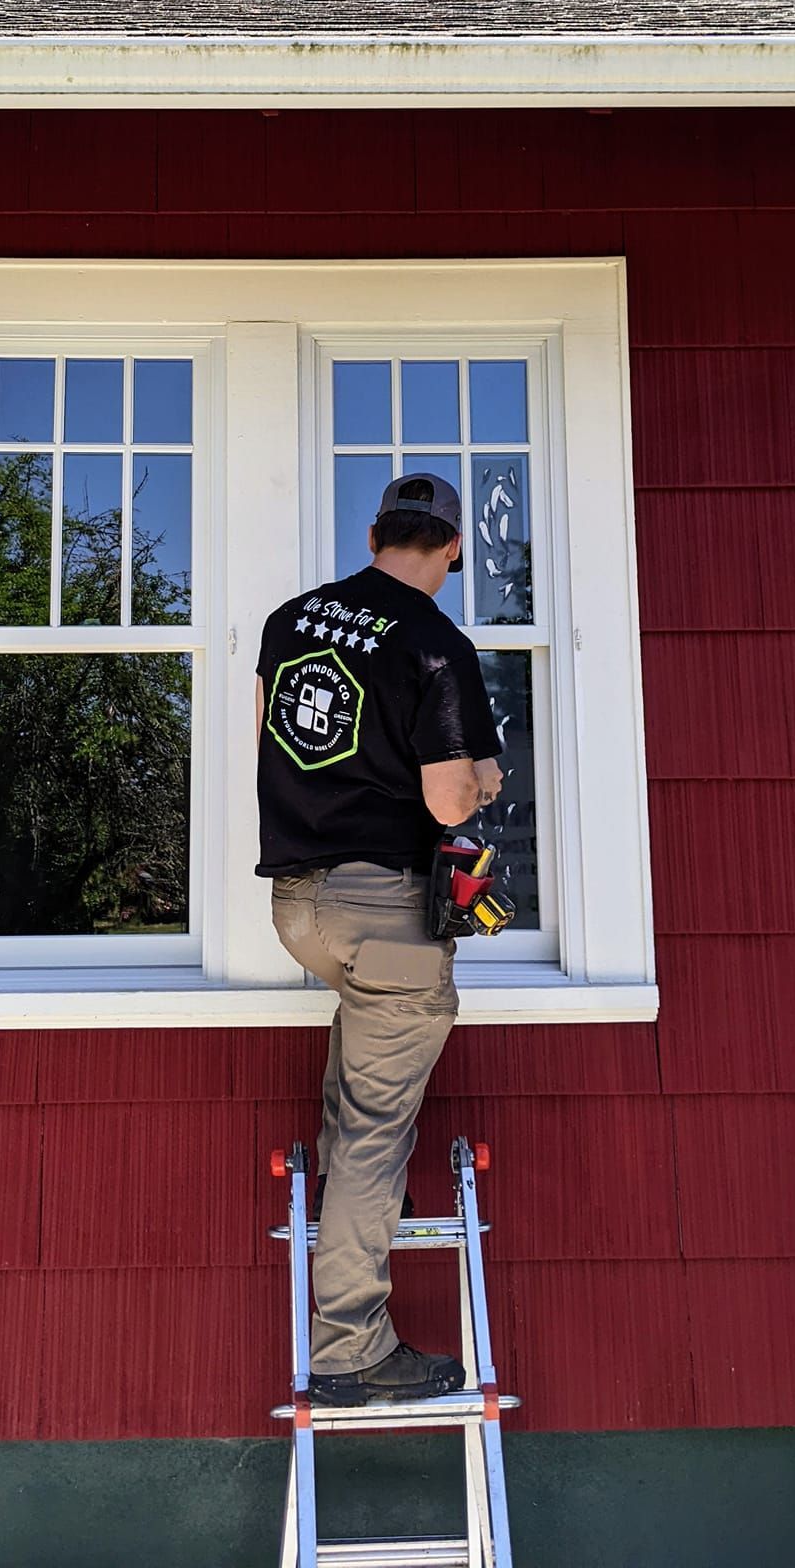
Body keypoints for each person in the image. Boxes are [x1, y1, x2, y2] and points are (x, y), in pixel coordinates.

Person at [254, 472, 503, 1405]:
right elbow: (447, 800)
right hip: (383, 905)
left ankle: (364, 1208)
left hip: (300, 901)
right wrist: (483, 779)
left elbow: (274, 743)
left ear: (371, 534)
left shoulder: (293, 621)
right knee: (372, 1133)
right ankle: (351, 1349)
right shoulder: (435, 642)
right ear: (450, 549)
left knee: (362, 1073)